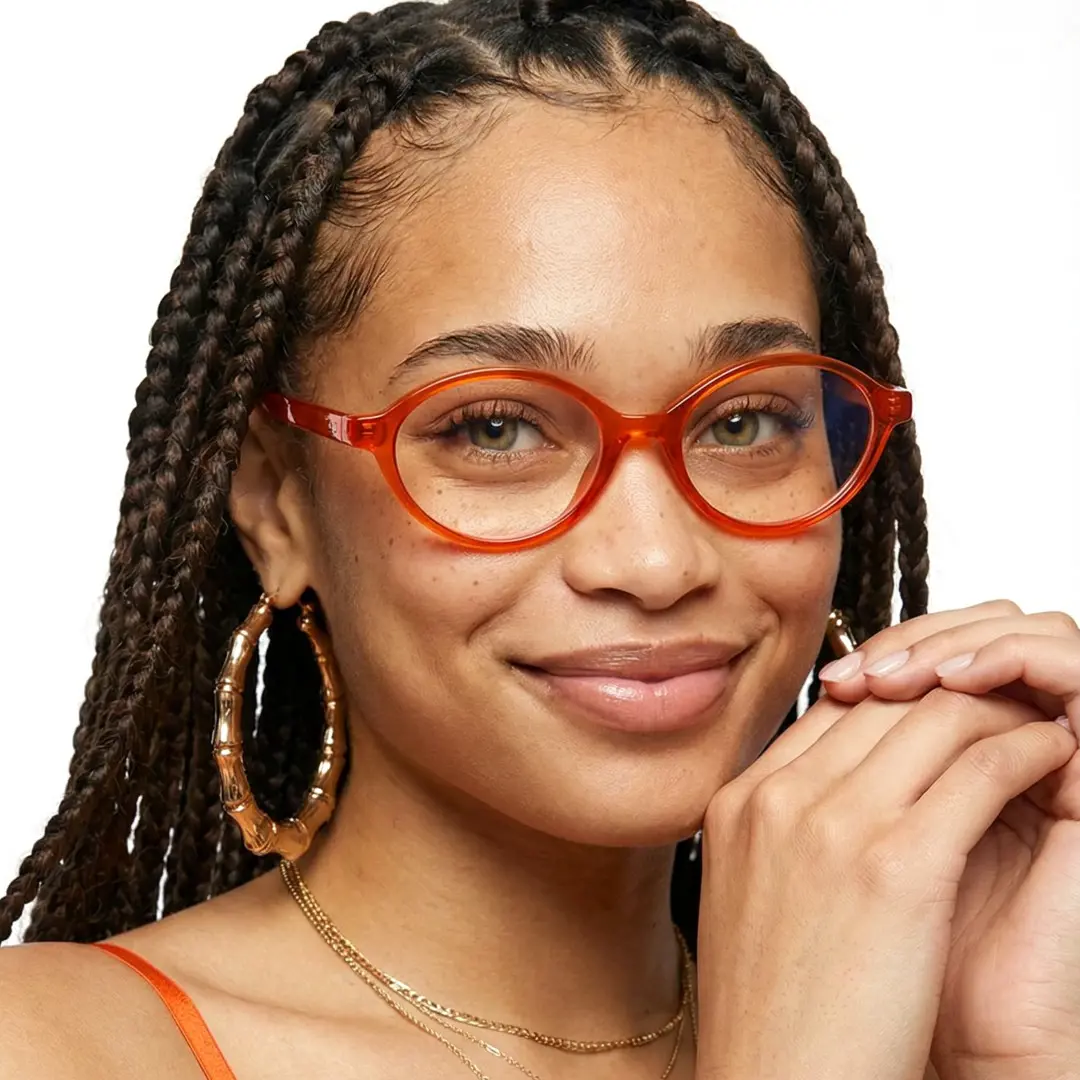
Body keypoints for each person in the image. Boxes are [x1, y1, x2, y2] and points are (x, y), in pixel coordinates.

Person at [2, 1, 1078, 1077]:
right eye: (496, 428)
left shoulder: (940, 1032)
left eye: (745, 420)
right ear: (278, 507)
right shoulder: (49, 1044)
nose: (658, 562)